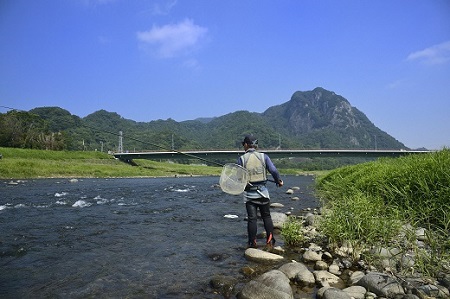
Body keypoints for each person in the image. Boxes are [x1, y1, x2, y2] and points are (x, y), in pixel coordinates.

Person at [237, 135, 283, 249]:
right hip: (263, 193)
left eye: (244, 144)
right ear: (255, 145)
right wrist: (278, 181)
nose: (243, 146)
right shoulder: (264, 157)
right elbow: (273, 170)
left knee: (252, 219)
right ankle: (270, 239)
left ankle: (252, 242)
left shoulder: (242, 159)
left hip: (249, 196)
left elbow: (239, 178)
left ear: (247, 145)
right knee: (266, 216)